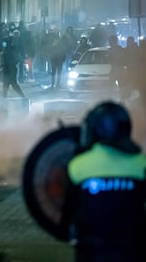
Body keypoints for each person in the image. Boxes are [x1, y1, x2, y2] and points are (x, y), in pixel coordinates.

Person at [61, 101, 146, 262]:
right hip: (133, 250)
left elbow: (67, 213)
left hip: (92, 251)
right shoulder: (141, 164)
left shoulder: (77, 166)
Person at [0, 32, 26, 98]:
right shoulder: (12, 49)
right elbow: (18, 58)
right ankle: (22, 96)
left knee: (7, 84)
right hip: (11, 68)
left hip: (8, 68)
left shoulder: (7, 50)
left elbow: (3, 59)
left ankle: (5, 99)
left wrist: (1, 65)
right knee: (12, 84)